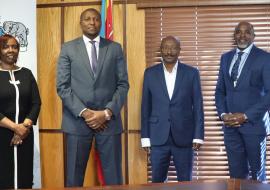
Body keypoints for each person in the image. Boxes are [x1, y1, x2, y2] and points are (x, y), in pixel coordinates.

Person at [56, 8, 129, 187]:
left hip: (109, 122)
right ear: (81, 23)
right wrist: (86, 113)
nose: (92, 22)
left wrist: (106, 113)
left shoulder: (114, 48)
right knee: (74, 178)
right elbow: (62, 87)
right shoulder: (68, 48)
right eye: (87, 19)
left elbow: (123, 85)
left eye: (96, 19)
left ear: (100, 23)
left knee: (113, 178)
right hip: (77, 122)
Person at [141, 36, 204, 182]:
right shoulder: (150, 73)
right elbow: (146, 106)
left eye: (173, 47)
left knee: (185, 182)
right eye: (165, 48)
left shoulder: (192, 73)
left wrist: (198, 135)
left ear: (179, 50)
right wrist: (145, 137)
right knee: (157, 181)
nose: (169, 51)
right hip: (157, 137)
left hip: (185, 136)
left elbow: (198, 106)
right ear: (161, 50)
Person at [215, 21, 270, 181]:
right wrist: (224, 115)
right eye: (238, 32)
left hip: (254, 126)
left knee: (257, 176)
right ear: (234, 35)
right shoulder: (225, 58)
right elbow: (220, 91)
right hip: (231, 128)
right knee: (236, 176)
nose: (242, 35)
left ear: (253, 35)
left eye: (247, 32)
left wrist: (245, 116)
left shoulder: (265, 58)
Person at [0, 34, 41, 188]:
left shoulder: (26, 73)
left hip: (25, 135)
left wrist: (24, 127)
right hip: (3, 135)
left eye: (14, 47)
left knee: (24, 177)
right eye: (6, 47)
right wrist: (14, 127)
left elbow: (36, 103)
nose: (11, 50)